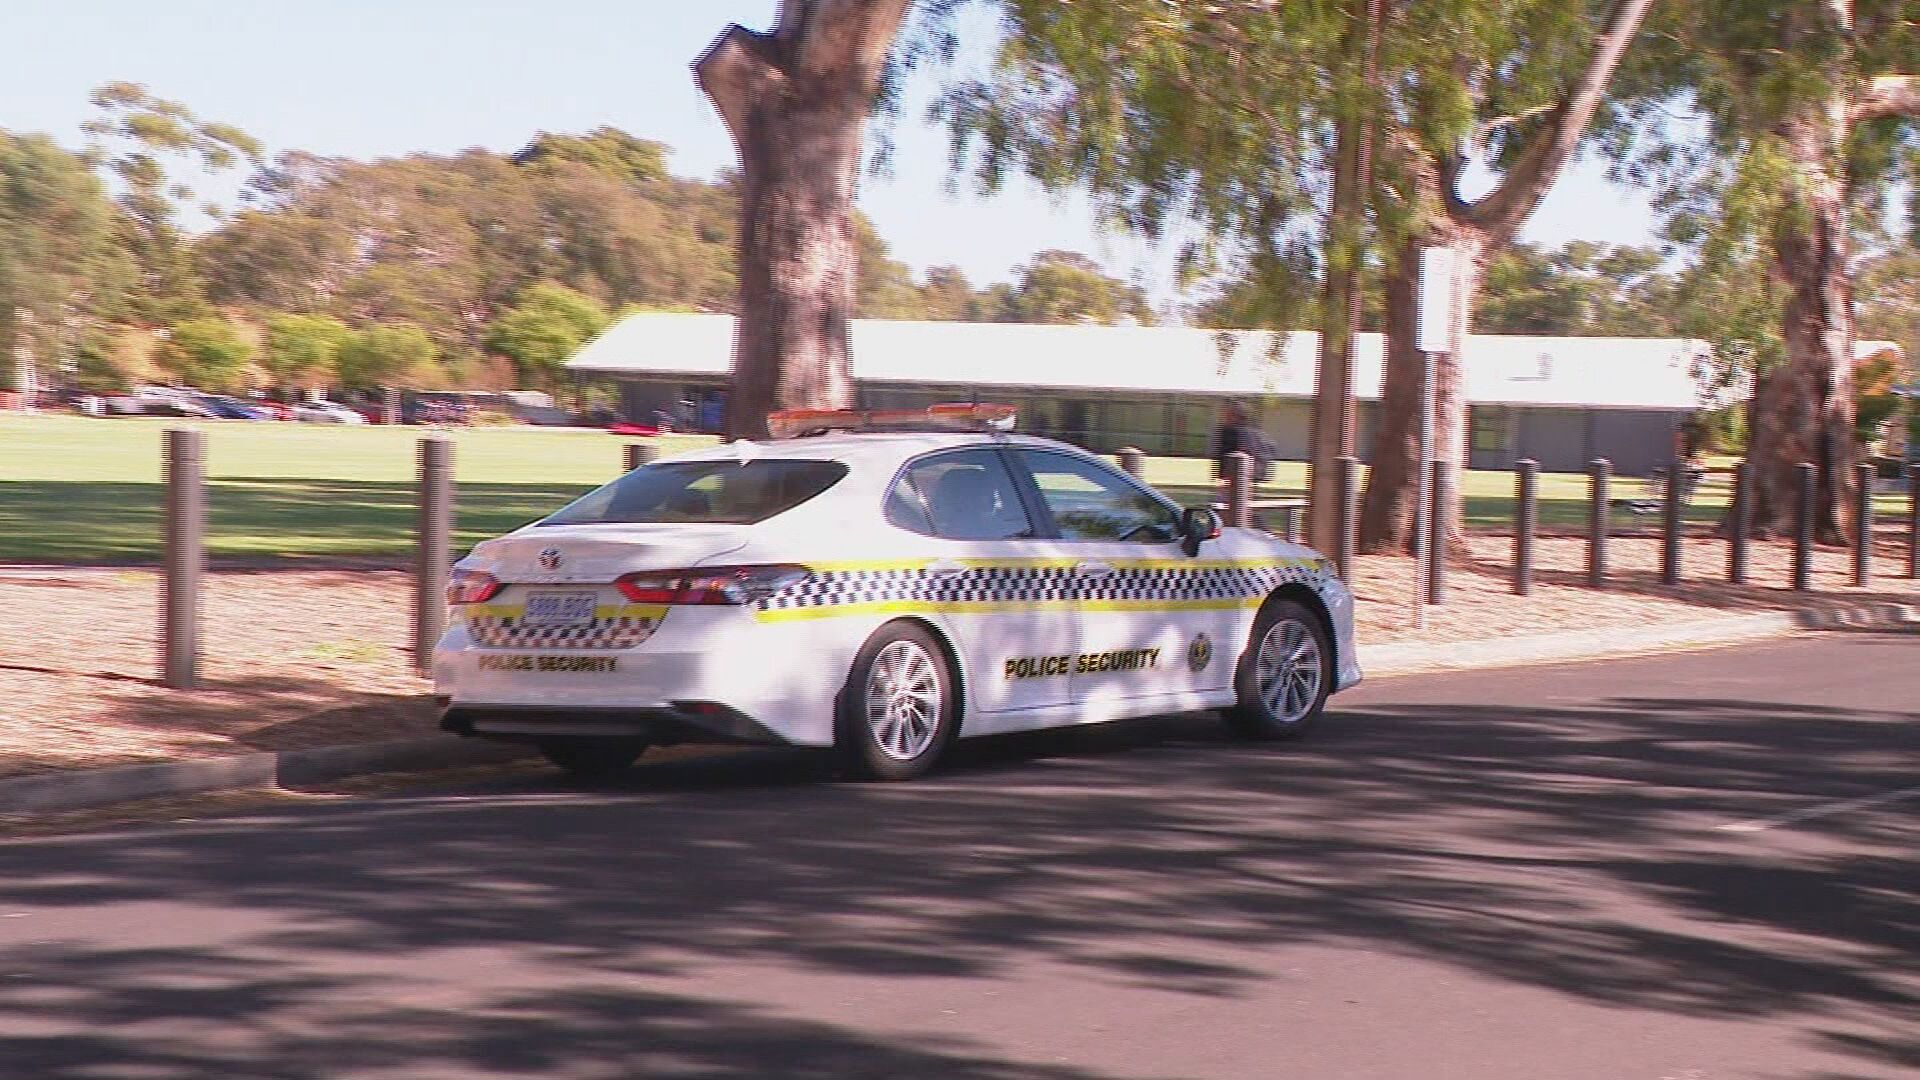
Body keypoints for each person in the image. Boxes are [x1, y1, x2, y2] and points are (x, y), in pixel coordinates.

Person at [1211, 400, 1274, 487]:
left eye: (1228, 414)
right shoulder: (1259, 434)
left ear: (1237, 416)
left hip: (1238, 478)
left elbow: (1225, 455)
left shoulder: (1232, 432)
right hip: (1250, 478)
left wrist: (1222, 477)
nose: (1224, 417)